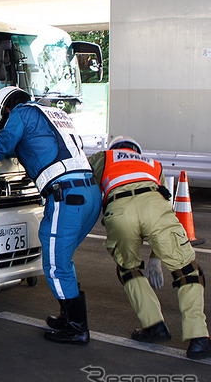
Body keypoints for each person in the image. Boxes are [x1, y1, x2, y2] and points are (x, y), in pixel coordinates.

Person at [0, 87, 100, 345]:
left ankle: (77, 327)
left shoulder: (21, 112)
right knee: (61, 257)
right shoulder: (55, 112)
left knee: (55, 263)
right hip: (90, 193)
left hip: (66, 196)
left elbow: (3, 145)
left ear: (6, 110)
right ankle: (67, 316)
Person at [88, 136, 211, 359]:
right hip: (155, 206)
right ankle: (199, 338)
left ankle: (154, 325)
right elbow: (164, 200)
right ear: (137, 151)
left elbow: (82, 181)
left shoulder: (102, 157)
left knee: (129, 269)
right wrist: (156, 258)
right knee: (187, 271)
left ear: (114, 148)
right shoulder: (153, 165)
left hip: (119, 209)